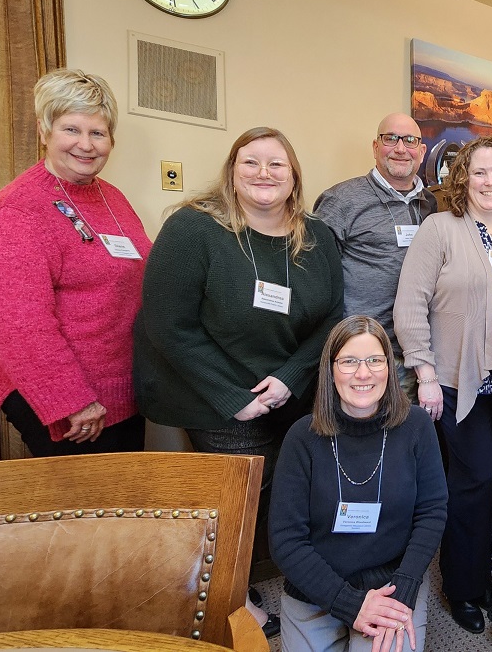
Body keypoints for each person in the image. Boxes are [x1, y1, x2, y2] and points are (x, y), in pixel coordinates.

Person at [134, 126, 343, 636]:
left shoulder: (316, 236)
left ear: (294, 176)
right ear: (231, 172)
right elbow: (167, 325)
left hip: (287, 386)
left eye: (277, 164)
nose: (264, 173)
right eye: (250, 162)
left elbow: (332, 316)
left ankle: (263, 580)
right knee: (238, 499)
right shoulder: (194, 229)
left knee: (286, 491)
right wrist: (233, 398)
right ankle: (228, 603)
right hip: (213, 391)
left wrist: (290, 378)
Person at [393, 135, 492, 634]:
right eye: (479, 172)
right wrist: (425, 374)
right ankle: (462, 588)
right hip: (459, 382)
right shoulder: (440, 229)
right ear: (463, 179)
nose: (489, 182)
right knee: (474, 480)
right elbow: (410, 305)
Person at [0, 68, 150, 457]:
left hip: (117, 385)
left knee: (122, 503)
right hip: (61, 391)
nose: (86, 145)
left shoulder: (111, 197)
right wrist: (70, 400)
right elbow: (17, 323)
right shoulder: (18, 210)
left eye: (97, 133)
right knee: (85, 510)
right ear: (44, 131)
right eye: (72, 130)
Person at [269, 315, 447, 652]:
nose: (363, 373)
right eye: (349, 361)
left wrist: (406, 588)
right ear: (330, 369)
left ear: (389, 367)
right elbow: (286, 540)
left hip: (392, 587)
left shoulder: (417, 428)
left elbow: (432, 513)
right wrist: (349, 603)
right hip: (315, 589)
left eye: (375, 361)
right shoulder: (301, 437)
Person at [314, 113, 437, 396]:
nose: (400, 148)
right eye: (390, 138)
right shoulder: (340, 200)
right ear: (375, 147)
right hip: (362, 355)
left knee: (407, 436)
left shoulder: (430, 204)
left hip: (417, 352)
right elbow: (316, 277)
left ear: (421, 151)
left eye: (410, 140)